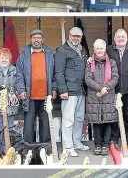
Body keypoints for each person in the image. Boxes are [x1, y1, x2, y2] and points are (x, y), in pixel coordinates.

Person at [15, 29, 56, 144]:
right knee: (28, 123)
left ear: (43, 40)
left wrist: (54, 88)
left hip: (45, 95)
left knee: (45, 122)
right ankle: (28, 147)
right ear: (31, 39)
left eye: (39, 38)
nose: (36, 40)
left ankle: (45, 146)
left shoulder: (50, 54)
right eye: (34, 38)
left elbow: (55, 73)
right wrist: (21, 89)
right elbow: (19, 73)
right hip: (30, 95)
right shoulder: (24, 54)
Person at [55, 27, 90, 157]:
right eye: (74, 36)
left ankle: (76, 142)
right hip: (69, 91)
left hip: (81, 90)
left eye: (78, 36)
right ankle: (68, 147)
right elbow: (58, 72)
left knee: (79, 119)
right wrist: (62, 90)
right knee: (68, 120)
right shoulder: (62, 51)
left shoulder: (83, 50)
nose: (76, 38)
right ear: (69, 36)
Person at [84, 39, 119, 156]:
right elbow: (87, 79)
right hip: (94, 96)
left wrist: (104, 89)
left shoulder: (112, 62)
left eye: (101, 48)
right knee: (97, 122)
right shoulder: (89, 63)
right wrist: (99, 89)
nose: (99, 50)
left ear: (105, 49)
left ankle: (105, 145)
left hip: (108, 96)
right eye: (97, 48)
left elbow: (115, 78)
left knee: (108, 122)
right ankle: (97, 145)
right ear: (94, 49)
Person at [107, 29, 128, 147]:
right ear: (114, 39)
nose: (120, 39)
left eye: (123, 36)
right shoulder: (109, 50)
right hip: (113, 89)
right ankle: (114, 139)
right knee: (114, 116)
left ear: (127, 38)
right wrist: (90, 58)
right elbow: (97, 55)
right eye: (118, 37)